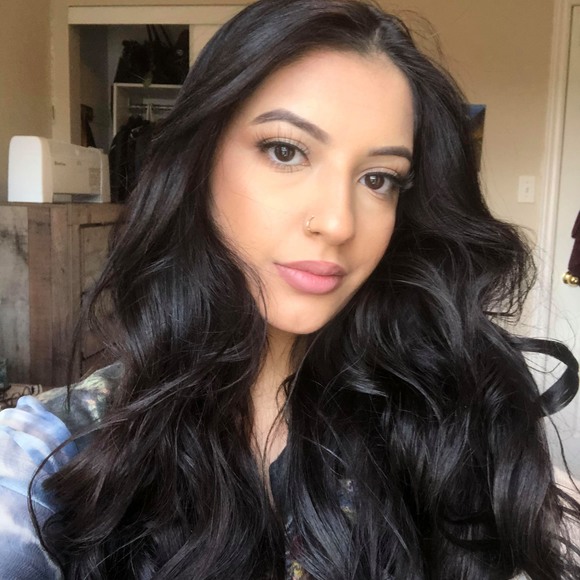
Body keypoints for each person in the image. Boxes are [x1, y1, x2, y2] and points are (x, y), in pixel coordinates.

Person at [1, 0, 579, 578]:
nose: (338, 222)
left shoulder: (446, 420)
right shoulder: (55, 455)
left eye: (378, 179)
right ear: (199, 160)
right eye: (286, 151)